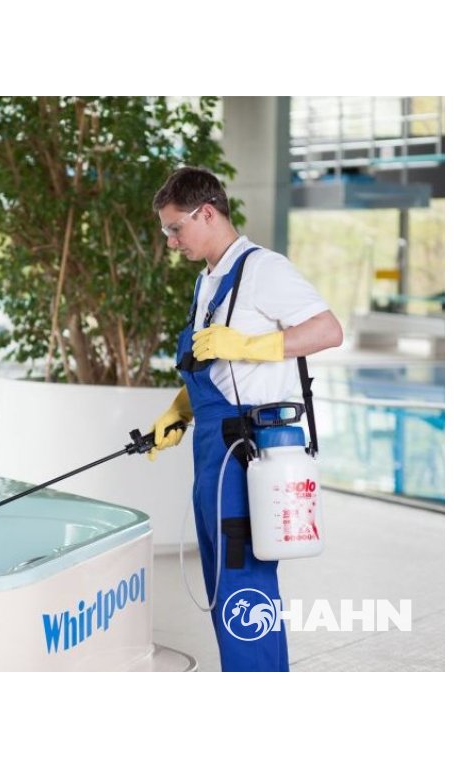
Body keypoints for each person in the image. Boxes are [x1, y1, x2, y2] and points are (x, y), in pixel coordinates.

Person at [147, 167, 343, 672]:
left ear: (207, 213)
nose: (171, 241)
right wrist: (179, 411)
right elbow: (213, 366)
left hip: (247, 448)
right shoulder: (206, 282)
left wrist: (251, 345)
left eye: (175, 228)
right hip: (212, 447)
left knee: (244, 580)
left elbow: (328, 330)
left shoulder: (264, 270)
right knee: (221, 579)